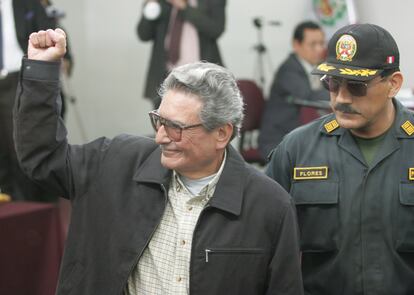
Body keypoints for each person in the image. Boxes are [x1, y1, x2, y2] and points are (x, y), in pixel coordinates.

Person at [14, 28, 303, 295]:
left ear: (221, 133)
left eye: (176, 127)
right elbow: (44, 158)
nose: (161, 138)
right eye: (159, 121)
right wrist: (41, 70)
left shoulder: (269, 207)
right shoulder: (115, 163)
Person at [266, 23, 412, 294]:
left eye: (357, 86)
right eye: (332, 83)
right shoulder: (298, 149)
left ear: (393, 84)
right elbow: (261, 239)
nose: (341, 98)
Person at [0, 0, 56, 201]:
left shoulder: (27, 3)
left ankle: (31, 208)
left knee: (20, 148)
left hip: (19, 78)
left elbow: (48, 31)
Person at [258, 21, 329, 159]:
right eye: (313, 44)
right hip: (279, 140)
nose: (319, 49)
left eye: (322, 43)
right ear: (296, 45)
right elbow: (308, 96)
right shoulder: (289, 69)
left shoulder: (319, 68)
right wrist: (341, 94)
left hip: (302, 135)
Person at [137, 0, 225, 108]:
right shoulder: (162, 2)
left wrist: (184, 7)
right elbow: (143, 34)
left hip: (202, 80)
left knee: (202, 122)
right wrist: (150, 7)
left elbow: (216, 29)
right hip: (165, 79)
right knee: (164, 122)